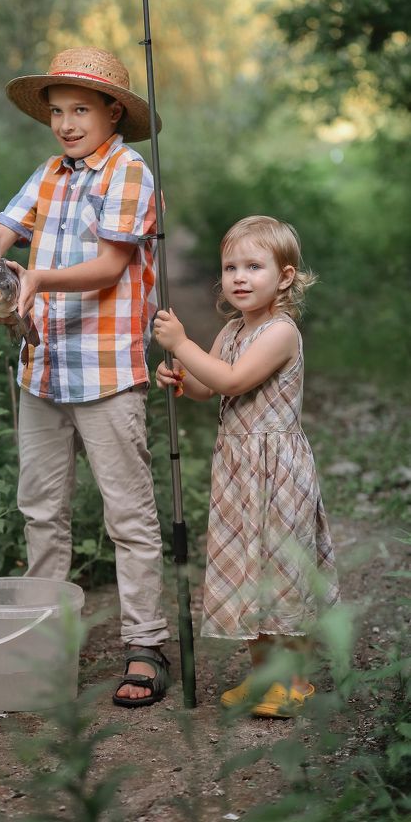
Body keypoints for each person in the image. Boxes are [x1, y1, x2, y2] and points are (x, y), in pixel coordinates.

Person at [0, 46, 171, 707]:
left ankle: (146, 646)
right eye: (56, 111)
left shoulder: (130, 172)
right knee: (41, 512)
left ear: (112, 111)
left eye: (80, 109)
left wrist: (37, 278)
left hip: (108, 369)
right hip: (42, 368)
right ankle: (44, 638)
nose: (65, 123)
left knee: (129, 516)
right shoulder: (50, 174)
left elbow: (110, 267)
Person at [154, 215, 340, 717]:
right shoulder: (234, 329)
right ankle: (263, 676)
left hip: (277, 473)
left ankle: (294, 681)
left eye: (254, 266)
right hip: (238, 473)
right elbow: (207, 387)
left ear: (283, 277)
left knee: (282, 571)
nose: (239, 276)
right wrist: (180, 375)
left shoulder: (281, 333)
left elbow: (235, 382)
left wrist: (182, 344)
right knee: (247, 570)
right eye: (231, 267)